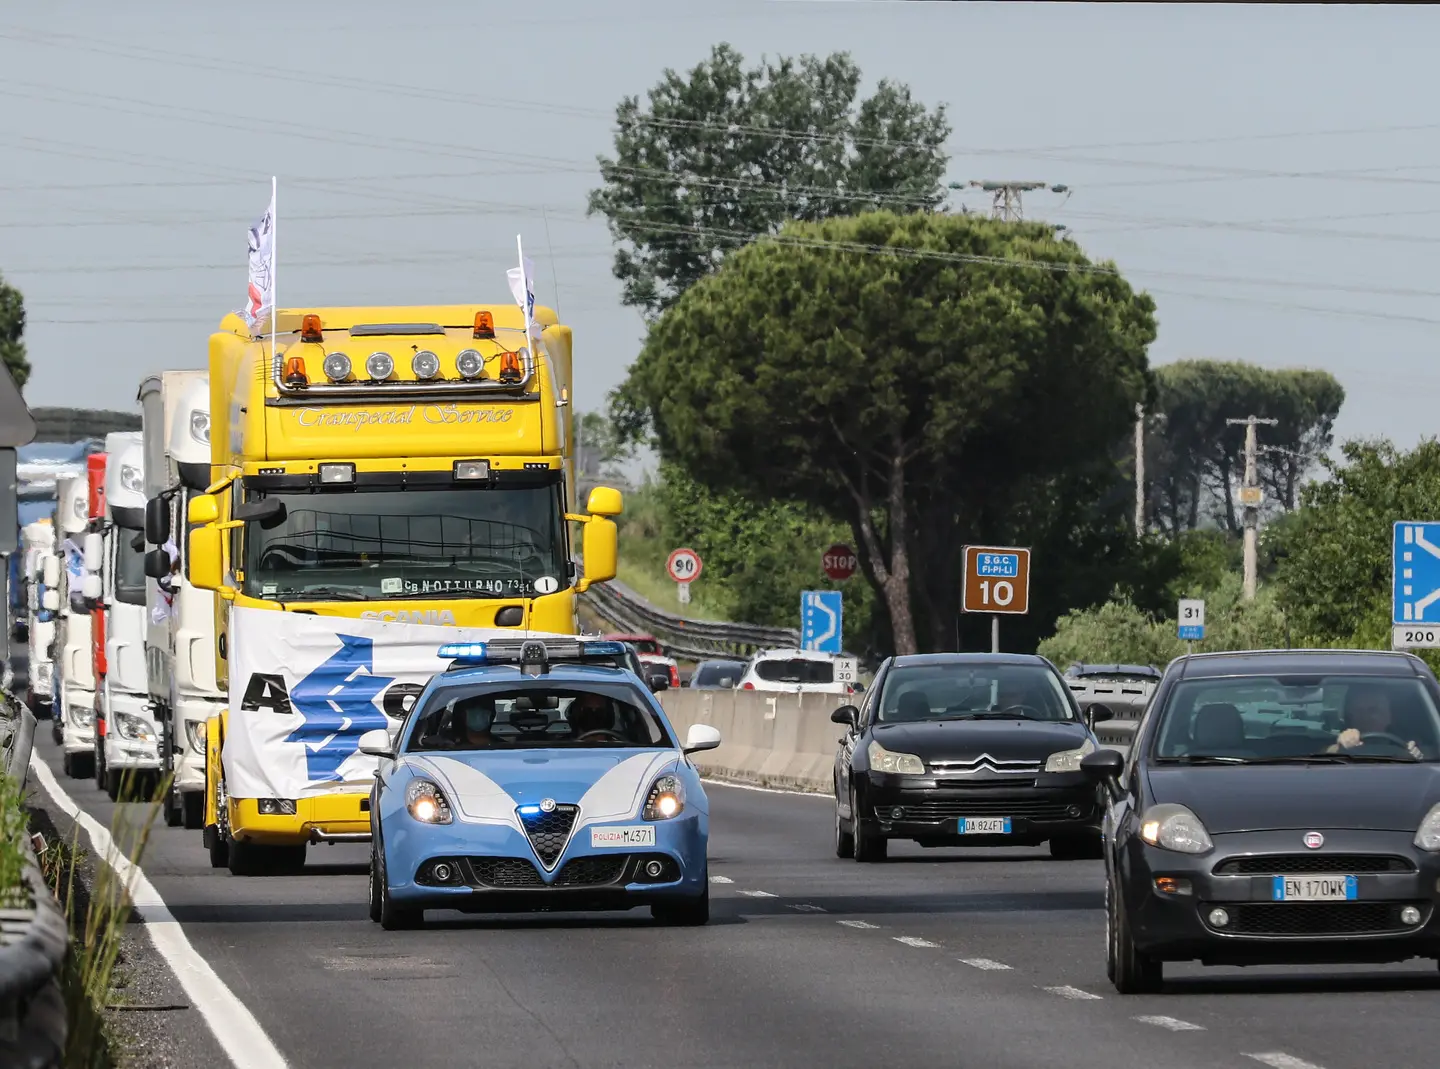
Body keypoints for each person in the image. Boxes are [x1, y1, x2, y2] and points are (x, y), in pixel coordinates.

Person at [1329, 684, 1423, 758]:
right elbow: (1322, 757)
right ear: (1350, 716)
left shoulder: (1408, 743)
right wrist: (1339, 747)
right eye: (1358, 711)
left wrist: (1414, 754)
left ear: (1389, 716)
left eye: (1373, 710)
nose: (1365, 717)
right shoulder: (1343, 743)